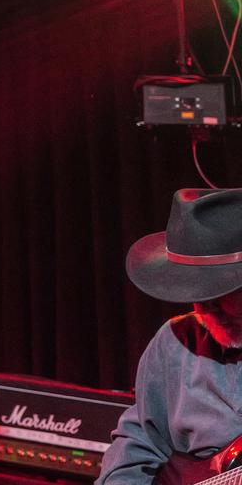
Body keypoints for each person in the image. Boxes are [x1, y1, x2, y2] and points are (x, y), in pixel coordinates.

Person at [98, 187, 242, 483]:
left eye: (224, 292)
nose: (207, 307)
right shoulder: (174, 341)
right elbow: (139, 440)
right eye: (197, 292)